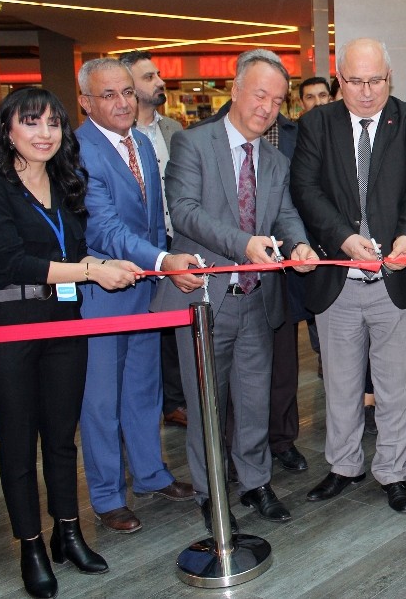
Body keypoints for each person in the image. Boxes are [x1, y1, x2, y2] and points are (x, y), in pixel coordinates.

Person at [0, 88, 140, 597]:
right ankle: (31, 545)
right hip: (7, 325)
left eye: (52, 124)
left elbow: (79, 245)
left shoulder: (68, 183)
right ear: (8, 130)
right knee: (19, 441)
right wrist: (90, 270)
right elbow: (9, 261)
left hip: (64, 318)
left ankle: (68, 532)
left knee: (61, 435)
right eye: (31, 123)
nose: (45, 134)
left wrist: (106, 265)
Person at [150, 49, 317, 530]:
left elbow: (284, 215)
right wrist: (244, 244)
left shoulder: (275, 159)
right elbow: (183, 211)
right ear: (236, 89)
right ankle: (211, 491)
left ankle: (256, 482)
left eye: (277, 100)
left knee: (253, 399)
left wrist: (300, 245)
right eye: (260, 94)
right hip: (205, 300)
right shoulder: (192, 144)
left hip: (258, 300)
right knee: (207, 404)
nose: (267, 107)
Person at [291, 38, 406, 514]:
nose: (366, 91)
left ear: (389, 78)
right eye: (355, 81)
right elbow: (305, 188)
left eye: (375, 80)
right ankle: (343, 465)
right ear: (340, 81)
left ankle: (394, 472)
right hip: (339, 279)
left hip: (397, 277)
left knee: (398, 384)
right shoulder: (317, 123)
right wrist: (340, 238)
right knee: (340, 382)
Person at [76, 58, 198, 534]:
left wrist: (164, 263)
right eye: (109, 95)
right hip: (103, 294)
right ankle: (108, 496)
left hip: (146, 290)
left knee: (144, 391)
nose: (124, 102)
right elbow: (105, 228)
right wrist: (164, 261)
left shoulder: (143, 145)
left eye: (127, 91)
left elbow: (154, 221)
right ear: (86, 102)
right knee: (101, 401)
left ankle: (150, 474)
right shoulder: (80, 151)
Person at [118, 50, 189, 430]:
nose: (159, 81)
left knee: (174, 322)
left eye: (157, 74)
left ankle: (175, 400)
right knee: (144, 329)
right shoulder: (121, 137)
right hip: (137, 246)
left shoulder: (173, 130)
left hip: (176, 238)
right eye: (148, 77)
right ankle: (154, 404)